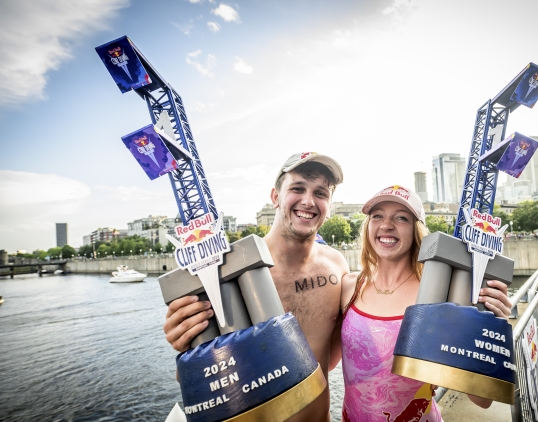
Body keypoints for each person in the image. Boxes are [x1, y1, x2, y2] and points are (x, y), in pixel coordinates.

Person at [163, 152, 350, 422]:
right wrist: (183, 341)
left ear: (329, 205)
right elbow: (196, 380)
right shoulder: (228, 276)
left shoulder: (336, 266)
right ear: (275, 197)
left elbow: (331, 355)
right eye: (297, 188)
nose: (308, 201)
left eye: (320, 193)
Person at [331, 186, 511, 421]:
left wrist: (492, 328)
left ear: (417, 231)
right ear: (368, 227)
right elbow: (324, 362)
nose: (386, 225)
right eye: (377, 216)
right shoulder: (349, 287)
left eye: (401, 218)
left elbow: (482, 399)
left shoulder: (439, 296)